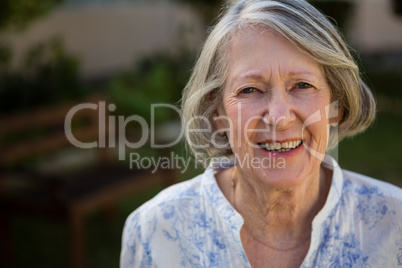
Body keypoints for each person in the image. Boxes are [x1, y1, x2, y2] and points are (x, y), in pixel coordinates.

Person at [120, 0, 402, 267]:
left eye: (302, 85)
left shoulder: (394, 225)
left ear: (336, 105)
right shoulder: (153, 231)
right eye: (250, 90)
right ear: (218, 115)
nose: (279, 117)